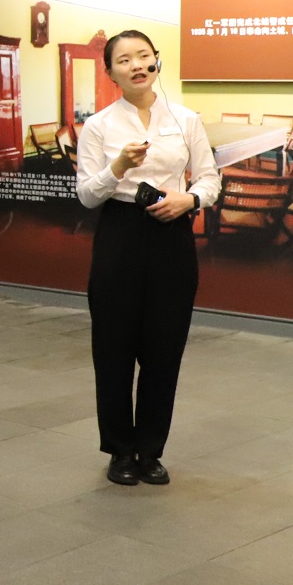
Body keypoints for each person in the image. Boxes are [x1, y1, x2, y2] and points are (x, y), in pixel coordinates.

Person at [75, 29, 220, 487]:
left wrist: (189, 200)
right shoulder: (99, 125)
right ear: (111, 72)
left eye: (143, 56)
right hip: (119, 233)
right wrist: (118, 166)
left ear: (156, 60)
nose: (136, 65)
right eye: (124, 60)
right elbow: (87, 195)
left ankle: (151, 450)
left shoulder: (185, 119)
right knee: (113, 349)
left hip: (171, 233)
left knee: (164, 350)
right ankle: (120, 450)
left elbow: (210, 179)